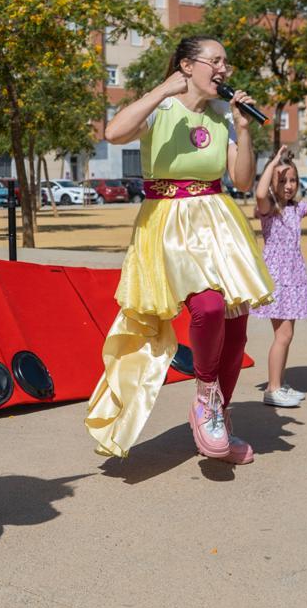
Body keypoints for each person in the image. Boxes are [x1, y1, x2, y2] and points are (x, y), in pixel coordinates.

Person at [86, 36, 273, 463]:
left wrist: (243, 129)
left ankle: (218, 419)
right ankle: (206, 395)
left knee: (236, 324)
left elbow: (243, 180)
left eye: (226, 62)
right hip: (169, 223)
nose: (223, 69)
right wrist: (162, 90)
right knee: (208, 307)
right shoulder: (162, 108)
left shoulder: (222, 118)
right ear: (188, 66)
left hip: (217, 222)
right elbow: (114, 133)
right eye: (215, 60)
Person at [253, 145, 307, 407]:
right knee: (283, 336)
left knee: (286, 335)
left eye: (293, 180)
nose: (289, 186)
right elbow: (259, 193)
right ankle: (273, 389)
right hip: (278, 278)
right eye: (282, 180)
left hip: (293, 276)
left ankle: (278, 383)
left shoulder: (296, 209)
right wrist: (273, 162)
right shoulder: (268, 208)